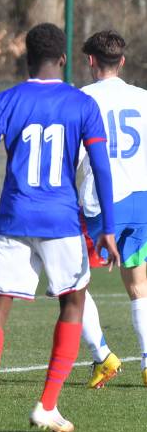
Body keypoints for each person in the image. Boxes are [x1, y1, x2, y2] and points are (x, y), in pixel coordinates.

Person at [0, 23, 121, 432]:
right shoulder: (82, 104)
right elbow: (101, 168)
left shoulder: (5, 100)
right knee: (73, 305)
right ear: (63, 59)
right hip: (61, 221)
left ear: (26, 60)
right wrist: (108, 229)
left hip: (13, 220)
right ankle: (46, 406)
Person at [77, 30, 147, 389]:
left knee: (72, 285)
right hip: (141, 200)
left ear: (90, 61)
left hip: (100, 203)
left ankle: (102, 355)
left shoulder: (81, 99)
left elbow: (73, 157)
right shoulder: (144, 99)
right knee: (138, 284)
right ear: (121, 62)